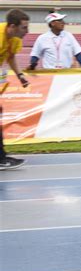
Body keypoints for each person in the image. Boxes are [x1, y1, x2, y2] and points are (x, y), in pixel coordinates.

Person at [0, 9, 30, 170]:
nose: (27, 31)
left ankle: (1, 156)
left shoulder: (14, 39)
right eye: (24, 27)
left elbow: (11, 57)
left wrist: (20, 75)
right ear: (12, 26)